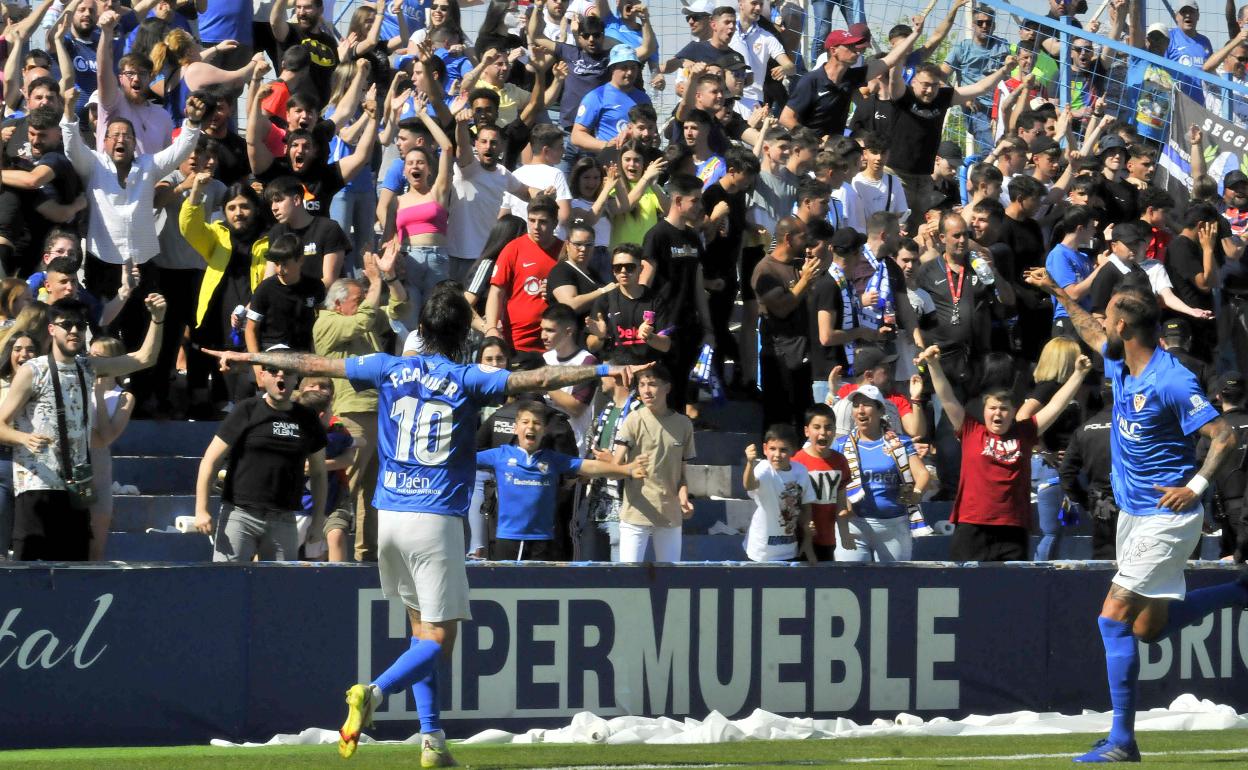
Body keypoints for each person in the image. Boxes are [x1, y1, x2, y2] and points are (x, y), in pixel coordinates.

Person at [202, 285, 653, 766]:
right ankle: (373, 693)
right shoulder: (468, 377)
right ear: (463, 336)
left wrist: (244, 355)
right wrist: (601, 369)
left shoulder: (387, 367)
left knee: (421, 633)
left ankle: (432, 740)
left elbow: (315, 363)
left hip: (389, 517)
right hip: (435, 518)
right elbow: (538, 377)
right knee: (439, 639)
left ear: (421, 330)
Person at [1023, 270, 1245, 763]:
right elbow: (1091, 332)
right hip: (1134, 516)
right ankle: (1239, 592)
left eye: (1108, 316)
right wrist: (1057, 293)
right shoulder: (1121, 358)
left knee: (1112, 619)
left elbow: (1224, 435)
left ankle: (1122, 740)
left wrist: (1195, 486)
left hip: (1168, 516)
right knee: (1146, 629)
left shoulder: (1172, 379)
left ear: (1123, 326)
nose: (1101, 322)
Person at [0, 294, 167, 561]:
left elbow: (144, 358)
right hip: (37, 483)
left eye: (80, 325)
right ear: (51, 329)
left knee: (75, 568)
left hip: (77, 485)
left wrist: (157, 319)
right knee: (32, 570)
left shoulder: (88, 368)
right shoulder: (33, 370)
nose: (74, 330)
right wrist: (23, 438)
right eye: (66, 324)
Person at [920, 342, 1093, 562]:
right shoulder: (971, 430)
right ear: (984, 411)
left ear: (1013, 413)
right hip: (972, 526)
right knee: (967, 582)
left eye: (1004, 409)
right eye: (992, 408)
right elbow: (947, 398)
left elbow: (1055, 406)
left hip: (1013, 527)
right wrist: (933, 365)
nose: (998, 413)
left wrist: (1078, 374)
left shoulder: (1025, 432)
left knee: (1012, 584)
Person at [313, 245, 407, 563]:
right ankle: (322, 552)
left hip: (379, 412)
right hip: (350, 414)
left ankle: (367, 556)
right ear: (338, 303)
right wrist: (375, 281)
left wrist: (389, 278)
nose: (365, 302)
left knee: (375, 491)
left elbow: (400, 308)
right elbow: (365, 320)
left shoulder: (361, 316)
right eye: (358, 298)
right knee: (345, 486)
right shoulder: (326, 322)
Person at [193, 345, 328, 562]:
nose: (280, 377)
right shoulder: (246, 410)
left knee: (280, 582)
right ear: (262, 376)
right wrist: (201, 509)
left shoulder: (308, 419)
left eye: (288, 372)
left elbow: (319, 473)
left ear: (296, 378)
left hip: (284, 518)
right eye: (273, 371)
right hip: (240, 515)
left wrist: (318, 521)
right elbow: (210, 460)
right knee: (227, 579)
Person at [476, 400, 647, 560]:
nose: (531, 426)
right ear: (515, 428)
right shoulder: (500, 455)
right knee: (507, 583)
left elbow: (590, 466)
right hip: (508, 539)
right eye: (525, 422)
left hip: (542, 540)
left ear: (544, 430)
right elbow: (466, 460)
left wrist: (626, 469)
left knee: (540, 583)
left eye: (537, 423)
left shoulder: (553, 459)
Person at [830, 384, 930, 563]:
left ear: (881, 410)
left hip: (893, 526)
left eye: (867, 404)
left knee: (893, 579)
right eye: (856, 405)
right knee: (849, 577)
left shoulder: (900, 443)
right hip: (854, 525)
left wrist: (916, 493)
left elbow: (922, 474)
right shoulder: (840, 445)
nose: (860, 410)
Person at [612, 363, 694, 563]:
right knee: (628, 575)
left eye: (652, 384)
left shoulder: (684, 424)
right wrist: (628, 469)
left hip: (670, 515)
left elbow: (682, 474)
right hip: (635, 514)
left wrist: (684, 496)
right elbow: (614, 468)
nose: (646, 390)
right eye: (642, 385)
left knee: (669, 577)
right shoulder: (633, 420)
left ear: (667, 387)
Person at [1015, 336, 1087, 560]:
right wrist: (1043, 449)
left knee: (1066, 528)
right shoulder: (1048, 388)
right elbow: (1022, 418)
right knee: (1052, 530)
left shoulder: (1067, 389)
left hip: (1066, 466)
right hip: (1050, 467)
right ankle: (1040, 572)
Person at [742, 424, 816, 563]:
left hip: (790, 549)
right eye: (772, 449)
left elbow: (806, 506)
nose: (777, 455)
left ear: (793, 451)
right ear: (765, 449)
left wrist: (808, 539)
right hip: (761, 551)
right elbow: (749, 485)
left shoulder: (801, 471)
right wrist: (750, 463)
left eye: (783, 450)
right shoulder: (764, 468)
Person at [1060, 379, 1117, 558]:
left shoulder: (1084, 429)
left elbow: (1066, 473)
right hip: (1136, 503)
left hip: (1101, 503)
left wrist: (1085, 501)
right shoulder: (1137, 426)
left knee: (1105, 558)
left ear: (1101, 396)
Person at [1206, 373, 1248, 562]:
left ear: (1218, 396)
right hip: (1237, 510)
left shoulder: (1214, 430)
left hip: (1227, 510)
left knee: (1232, 566)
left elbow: (1198, 466)